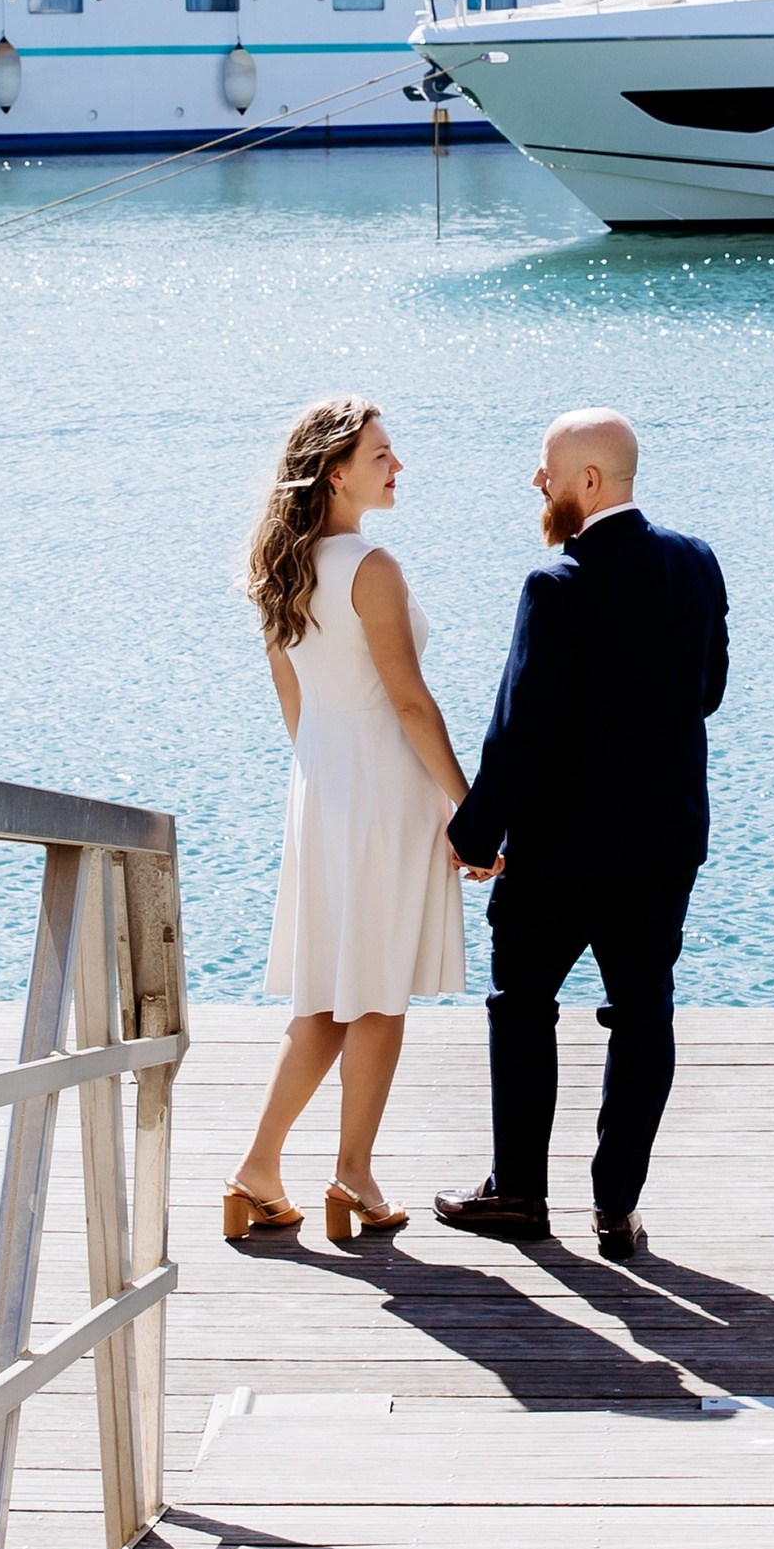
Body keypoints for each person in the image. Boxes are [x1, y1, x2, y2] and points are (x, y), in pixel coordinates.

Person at [436, 408, 729, 1259]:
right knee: (645, 1014)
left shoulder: (555, 584)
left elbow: (521, 733)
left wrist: (476, 832)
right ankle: (617, 1209)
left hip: (560, 853)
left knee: (522, 1004)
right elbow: (706, 691)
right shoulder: (696, 562)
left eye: (548, 469)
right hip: (665, 844)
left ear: (588, 482)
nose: (539, 481)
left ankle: (520, 1193)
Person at [226, 394, 482, 1247]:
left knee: (330, 996)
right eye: (381, 455)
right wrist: (470, 805)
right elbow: (409, 701)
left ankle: (262, 1167)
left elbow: (294, 705)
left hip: (323, 787)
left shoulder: (284, 568)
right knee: (374, 993)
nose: (396, 466)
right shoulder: (372, 567)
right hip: (380, 790)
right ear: (337, 471)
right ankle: (353, 1173)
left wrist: (328, 784)